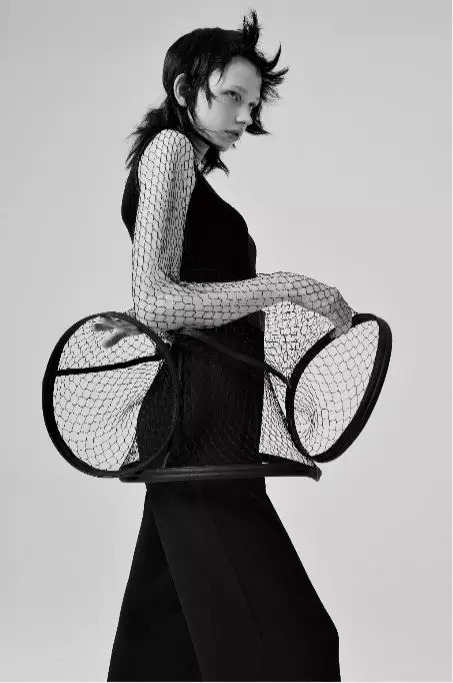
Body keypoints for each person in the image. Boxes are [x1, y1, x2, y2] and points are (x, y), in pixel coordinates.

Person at [102, 9, 352, 681]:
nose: (245, 115)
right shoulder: (170, 148)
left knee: (162, 647)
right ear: (186, 89)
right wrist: (287, 286)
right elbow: (158, 297)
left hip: (209, 419)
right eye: (231, 96)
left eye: (253, 101)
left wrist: (153, 318)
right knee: (294, 645)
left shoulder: (185, 165)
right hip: (198, 424)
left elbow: (164, 294)